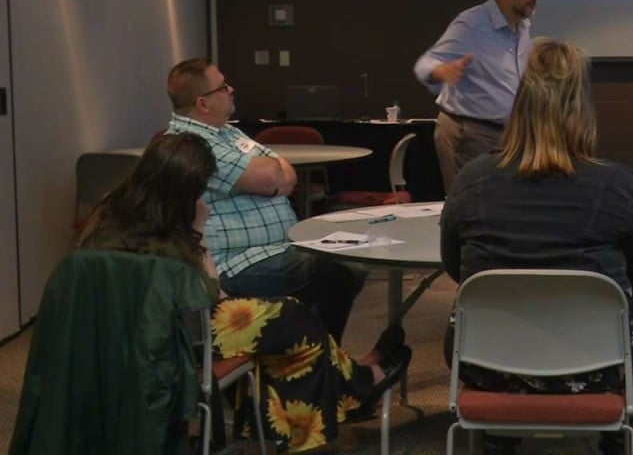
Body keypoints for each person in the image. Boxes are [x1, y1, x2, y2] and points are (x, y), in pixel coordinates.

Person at [75, 133, 412, 453]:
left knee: (288, 328)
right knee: (293, 322)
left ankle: (352, 383)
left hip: (122, 339)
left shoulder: (108, 213)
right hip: (177, 340)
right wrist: (198, 231)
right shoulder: (173, 224)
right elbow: (205, 289)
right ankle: (358, 383)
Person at [440, 38, 633, 455]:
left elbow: (455, 268)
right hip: (599, 366)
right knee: (632, 323)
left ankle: (496, 436)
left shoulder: (471, 180)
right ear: (583, 109)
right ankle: (615, 442)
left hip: (484, 363)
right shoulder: (619, 186)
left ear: (520, 105)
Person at [165, 57, 367, 344]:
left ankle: (313, 353)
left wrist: (270, 173)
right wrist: (269, 173)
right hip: (236, 263)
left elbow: (285, 172)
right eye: (223, 87)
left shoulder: (226, 132)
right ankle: (321, 355)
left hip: (272, 250)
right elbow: (273, 176)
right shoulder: (191, 144)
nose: (231, 90)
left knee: (346, 264)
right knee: (340, 271)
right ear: (203, 103)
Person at [414, 0, 543, 193]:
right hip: (470, 134)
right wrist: (441, 71)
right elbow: (425, 64)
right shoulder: (472, 24)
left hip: (507, 136)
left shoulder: (522, 26)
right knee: (471, 207)